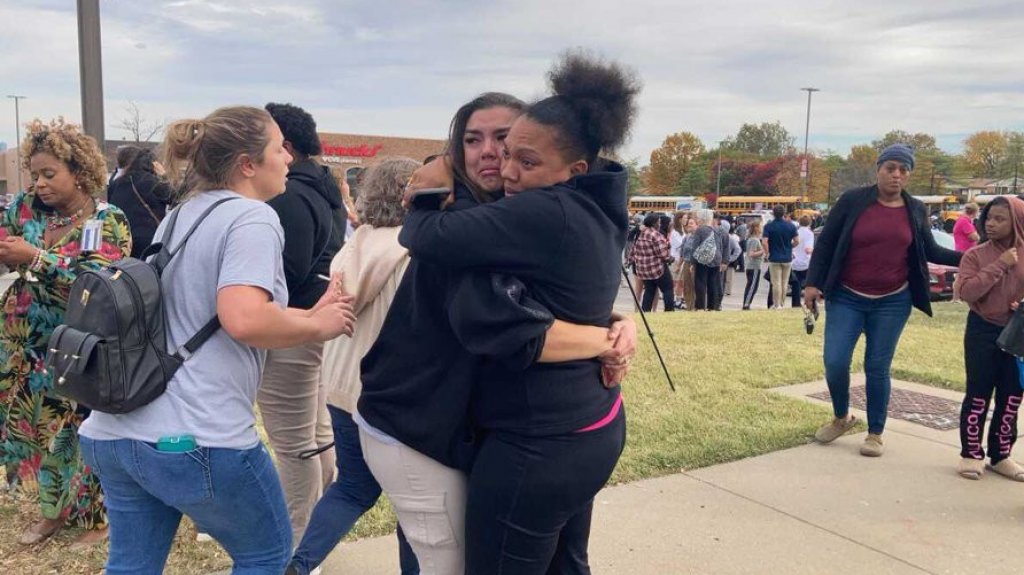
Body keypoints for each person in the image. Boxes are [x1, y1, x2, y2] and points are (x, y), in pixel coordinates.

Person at [357, 89, 636, 574]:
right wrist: (602, 338)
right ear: (454, 152)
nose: (496, 157)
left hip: (505, 432)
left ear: (570, 166)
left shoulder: (513, 218)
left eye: (506, 142)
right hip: (418, 425)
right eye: (473, 140)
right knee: (449, 560)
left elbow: (539, 307)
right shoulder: (473, 228)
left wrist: (612, 321)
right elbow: (515, 331)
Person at [77, 106, 357, 574]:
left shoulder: (181, 214)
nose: (287, 159)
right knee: (266, 556)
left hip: (116, 434)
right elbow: (243, 318)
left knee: (131, 566)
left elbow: (198, 308)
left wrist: (306, 314)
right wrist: (319, 326)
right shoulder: (253, 217)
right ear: (248, 164)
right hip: (196, 436)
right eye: (277, 149)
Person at [0, 118, 132, 547]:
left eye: (49, 174)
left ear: (80, 171)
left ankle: (98, 517)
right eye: (34, 173)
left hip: (79, 344)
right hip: (24, 342)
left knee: (81, 430)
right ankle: (51, 511)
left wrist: (35, 258)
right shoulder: (24, 209)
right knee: (33, 428)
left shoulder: (107, 219)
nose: (38, 183)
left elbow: (99, 278)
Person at [287, 157, 420, 575]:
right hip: (392, 394)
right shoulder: (415, 252)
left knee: (352, 488)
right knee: (413, 506)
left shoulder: (354, 244)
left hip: (342, 387)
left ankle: (296, 565)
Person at [807, 143, 961, 457]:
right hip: (847, 296)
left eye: (903, 170)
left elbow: (931, 251)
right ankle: (841, 417)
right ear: (878, 169)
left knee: (877, 367)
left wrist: (973, 257)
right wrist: (812, 283)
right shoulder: (853, 201)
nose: (896, 175)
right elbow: (826, 244)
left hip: (893, 300)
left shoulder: (915, 208)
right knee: (835, 361)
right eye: (890, 168)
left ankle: (875, 432)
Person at [257, 102, 347, 543]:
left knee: (294, 444)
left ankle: (296, 541)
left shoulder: (290, 196)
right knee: (314, 434)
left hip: (293, 328)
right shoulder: (325, 187)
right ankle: (314, 523)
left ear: (286, 146)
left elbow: (284, 273)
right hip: (315, 325)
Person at [955, 196, 1024, 481]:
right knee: (979, 393)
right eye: (989, 218)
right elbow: (967, 292)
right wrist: (1000, 264)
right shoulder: (976, 254)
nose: (991, 224)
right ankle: (971, 454)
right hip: (982, 329)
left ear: (1017, 222)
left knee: (1011, 395)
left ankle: (1001, 454)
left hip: (1017, 332)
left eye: (1000, 219)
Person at [107, 147, 174, 258]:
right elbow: (174, 196)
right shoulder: (151, 181)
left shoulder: (116, 183)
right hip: (147, 239)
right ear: (153, 165)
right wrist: (164, 175)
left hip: (121, 238)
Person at [631, 213, 675, 312]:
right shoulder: (656, 235)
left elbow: (634, 250)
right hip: (657, 268)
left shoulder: (642, 234)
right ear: (654, 223)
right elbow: (662, 254)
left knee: (649, 291)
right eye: (658, 222)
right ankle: (669, 311)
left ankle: (646, 312)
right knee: (668, 289)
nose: (660, 224)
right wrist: (670, 258)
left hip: (644, 269)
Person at [764, 204, 799, 310]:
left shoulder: (769, 226)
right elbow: (797, 241)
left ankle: (776, 304)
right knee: (785, 281)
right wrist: (790, 247)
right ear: (784, 213)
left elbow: (765, 242)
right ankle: (782, 304)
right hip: (787, 257)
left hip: (774, 257)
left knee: (776, 282)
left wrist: (767, 253)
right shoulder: (791, 226)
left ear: (773, 214)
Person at [690, 209, 722, 310]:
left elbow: (695, 246)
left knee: (700, 283)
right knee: (713, 283)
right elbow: (719, 245)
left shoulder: (700, 230)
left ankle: (700, 306)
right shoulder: (716, 230)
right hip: (716, 258)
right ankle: (712, 306)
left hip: (703, 260)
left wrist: (692, 262)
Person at [789, 214, 815, 307]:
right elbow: (808, 250)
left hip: (795, 262)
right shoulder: (809, 234)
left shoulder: (796, 232)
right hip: (806, 262)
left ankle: (795, 304)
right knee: (809, 284)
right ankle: (810, 303)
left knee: (796, 284)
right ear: (810, 223)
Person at [742, 220, 765, 310]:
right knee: (752, 286)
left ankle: (746, 303)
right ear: (757, 228)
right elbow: (751, 254)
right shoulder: (755, 240)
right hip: (754, 266)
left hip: (751, 266)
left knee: (751, 285)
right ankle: (746, 304)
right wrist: (763, 250)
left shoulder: (751, 239)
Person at [679, 216, 698, 311]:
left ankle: (695, 306)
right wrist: (679, 265)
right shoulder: (686, 237)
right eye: (688, 224)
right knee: (686, 286)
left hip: (695, 264)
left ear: (697, 225)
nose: (689, 225)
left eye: (692, 223)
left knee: (695, 285)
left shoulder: (699, 236)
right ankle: (688, 306)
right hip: (686, 263)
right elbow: (682, 252)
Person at [669, 212, 686, 308]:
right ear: (679, 219)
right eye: (684, 218)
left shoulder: (683, 230)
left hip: (682, 259)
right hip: (675, 259)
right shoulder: (675, 232)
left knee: (681, 282)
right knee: (674, 281)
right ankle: (671, 299)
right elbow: (680, 245)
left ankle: (679, 300)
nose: (686, 220)